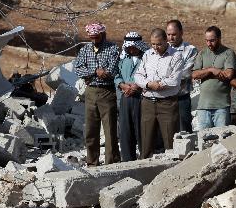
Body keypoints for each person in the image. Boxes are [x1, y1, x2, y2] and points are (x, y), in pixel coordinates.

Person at [73, 22, 121, 166]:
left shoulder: (112, 48)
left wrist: (92, 75)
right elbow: (78, 69)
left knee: (110, 130)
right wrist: (95, 72)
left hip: (107, 92)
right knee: (91, 129)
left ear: (103, 34)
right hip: (91, 92)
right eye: (91, 37)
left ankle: (111, 162)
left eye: (97, 37)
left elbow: (110, 71)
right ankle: (92, 162)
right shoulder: (85, 49)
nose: (94, 40)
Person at [134, 28, 183, 159]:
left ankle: (173, 167)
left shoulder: (176, 55)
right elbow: (138, 76)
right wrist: (149, 84)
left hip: (167, 103)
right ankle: (145, 166)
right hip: (148, 103)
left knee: (170, 139)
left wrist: (159, 84)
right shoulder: (147, 54)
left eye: (159, 44)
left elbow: (175, 79)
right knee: (146, 139)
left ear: (166, 40)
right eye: (153, 44)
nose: (155, 47)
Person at [192, 26, 236, 130]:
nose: (209, 44)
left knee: (222, 140)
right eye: (207, 41)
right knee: (204, 141)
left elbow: (228, 74)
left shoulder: (228, 53)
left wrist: (204, 72)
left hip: (221, 106)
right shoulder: (202, 53)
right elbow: (194, 75)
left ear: (219, 38)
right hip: (203, 106)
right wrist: (211, 70)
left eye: (212, 40)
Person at [114, 31, 150, 162]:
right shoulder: (123, 59)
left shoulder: (147, 58)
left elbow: (151, 75)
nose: (131, 49)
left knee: (141, 129)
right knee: (125, 130)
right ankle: (128, 160)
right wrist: (122, 85)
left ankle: (145, 158)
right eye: (128, 47)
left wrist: (137, 86)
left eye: (133, 46)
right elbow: (116, 75)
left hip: (141, 97)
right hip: (125, 97)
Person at [166, 19, 197, 133]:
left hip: (182, 95)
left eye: (174, 34)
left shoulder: (190, 50)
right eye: (168, 35)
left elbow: (186, 73)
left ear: (181, 33)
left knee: (184, 129)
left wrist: (165, 78)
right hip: (165, 96)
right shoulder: (162, 49)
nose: (171, 38)